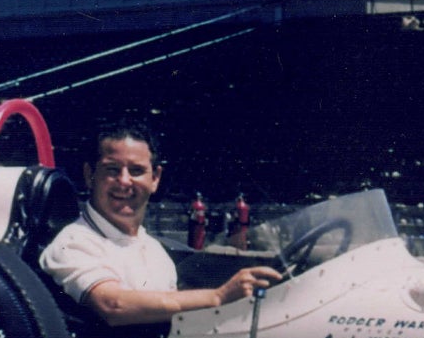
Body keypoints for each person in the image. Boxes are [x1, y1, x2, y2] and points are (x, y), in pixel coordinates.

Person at [40, 122, 278, 325]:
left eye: (136, 171)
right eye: (112, 170)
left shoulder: (153, 248)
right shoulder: (72, 243)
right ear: (89, 175)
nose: (124, 181)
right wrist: (219, 297)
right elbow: (113, 305)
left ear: (155, 179)